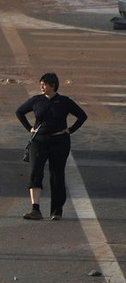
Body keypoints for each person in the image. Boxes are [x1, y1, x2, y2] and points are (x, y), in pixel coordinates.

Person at [16, 73, 87, 220]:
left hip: (60, 142)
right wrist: (29, 128)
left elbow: (82, 116)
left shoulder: (64, 101)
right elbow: (20, 112)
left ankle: (57, 211)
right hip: (39, 141)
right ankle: (35, 209)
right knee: (36, 172)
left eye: (44, 84)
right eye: (41, 84)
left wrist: (70, 130)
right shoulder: (36, 100)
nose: (41, 86)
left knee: (57, 174)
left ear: (53, 85)